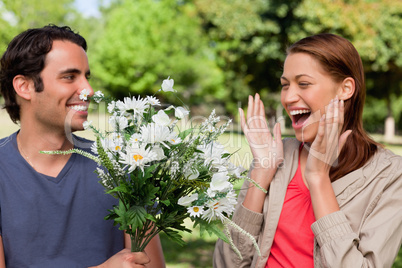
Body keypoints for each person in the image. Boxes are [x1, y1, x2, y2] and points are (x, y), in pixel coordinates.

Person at [214, 33, 402, 267]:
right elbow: (227, 263)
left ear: (345, 88)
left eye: (304, 84)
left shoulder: (390, 174)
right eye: (285, 85)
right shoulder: (276, 156)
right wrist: (261, 173)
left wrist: (318, 178)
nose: (289, 97)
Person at [0, 25, 165, 267]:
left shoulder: (124, 167)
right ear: (24, 86)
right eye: (69, 77)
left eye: (87, 77)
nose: (88, 90)